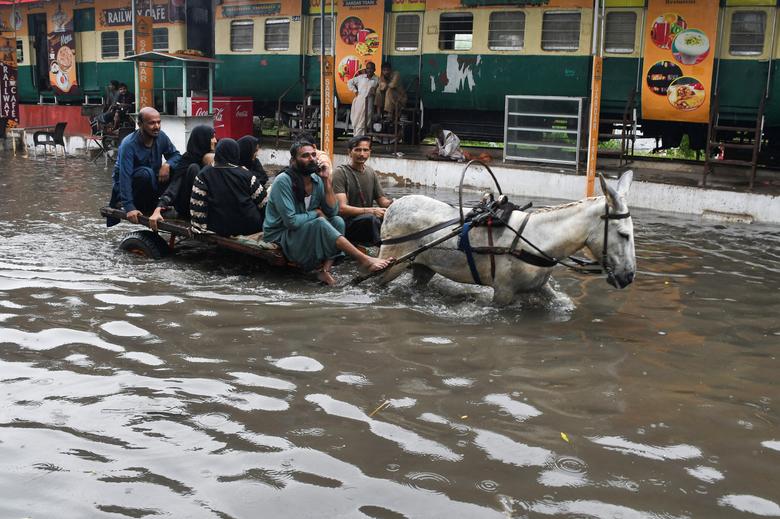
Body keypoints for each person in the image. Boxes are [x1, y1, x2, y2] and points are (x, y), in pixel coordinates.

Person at [263, 139, 393, 285]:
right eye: (305, 156)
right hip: (281, 234)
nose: (311, 159)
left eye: (313, 155)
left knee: (337, 221)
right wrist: (316, 213)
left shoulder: (317, 179)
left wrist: (326, 181)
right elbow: (291, 222)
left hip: (303, 229)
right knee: (319, 222)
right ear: (293, 160)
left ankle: (325, 271)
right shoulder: (283, 181)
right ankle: (365, 260)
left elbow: (333, 211)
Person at [106, 107, 181, 227]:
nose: (156, 126)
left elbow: (176, 155)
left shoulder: (161, 136)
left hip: (151, 185)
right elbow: (124, 177)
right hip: (133, 186)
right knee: (145, 173)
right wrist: (129, 207)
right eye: (151, 123)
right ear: (140, 124)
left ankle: (163, 205)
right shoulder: (128, 144)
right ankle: (146, 206)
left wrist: (167, 164)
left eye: (158, 122)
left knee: (179, 169)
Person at [190, 138, 266, 237]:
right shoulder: (247, 175)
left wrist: (198, 228)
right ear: (236, 153)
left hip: (217, 227)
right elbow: (264, 203)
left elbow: (197, 204)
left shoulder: (203, 175)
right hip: (249, 227)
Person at [148, 124, 216, 230]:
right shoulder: (188, 161)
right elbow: (174, 187)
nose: (215, 140)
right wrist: (159, 208)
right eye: (212, 137)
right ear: (203, 139)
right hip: (188, 207)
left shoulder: (211, 159)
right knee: (194, 168)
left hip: (207, 207)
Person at [332, 135, 392, 246]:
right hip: (348, 223)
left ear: (370, 152)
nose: (362, 154)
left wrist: (399, 203)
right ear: (349, 152)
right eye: (358, 150)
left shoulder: (371, 172)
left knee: (390, 218)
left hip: (368, 220)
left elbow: (383, 201)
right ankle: (382, 249)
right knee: (372, 219)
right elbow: (342, 209)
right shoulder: (340, 173)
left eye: (365, 150)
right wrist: (372, 211)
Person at [348, 62, 379, 137]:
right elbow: (350, 82)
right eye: (368, 68)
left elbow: (379, 91)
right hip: (359, 101)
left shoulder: (377, 79)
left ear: (374, 69)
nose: (369, 70)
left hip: (369, 102)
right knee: (356, 121)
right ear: (366, 69)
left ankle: (358, 141)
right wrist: (355, 91)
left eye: (371, 68)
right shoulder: (361, 77)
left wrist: (374, 91)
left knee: (364, 122)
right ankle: (356, 139)